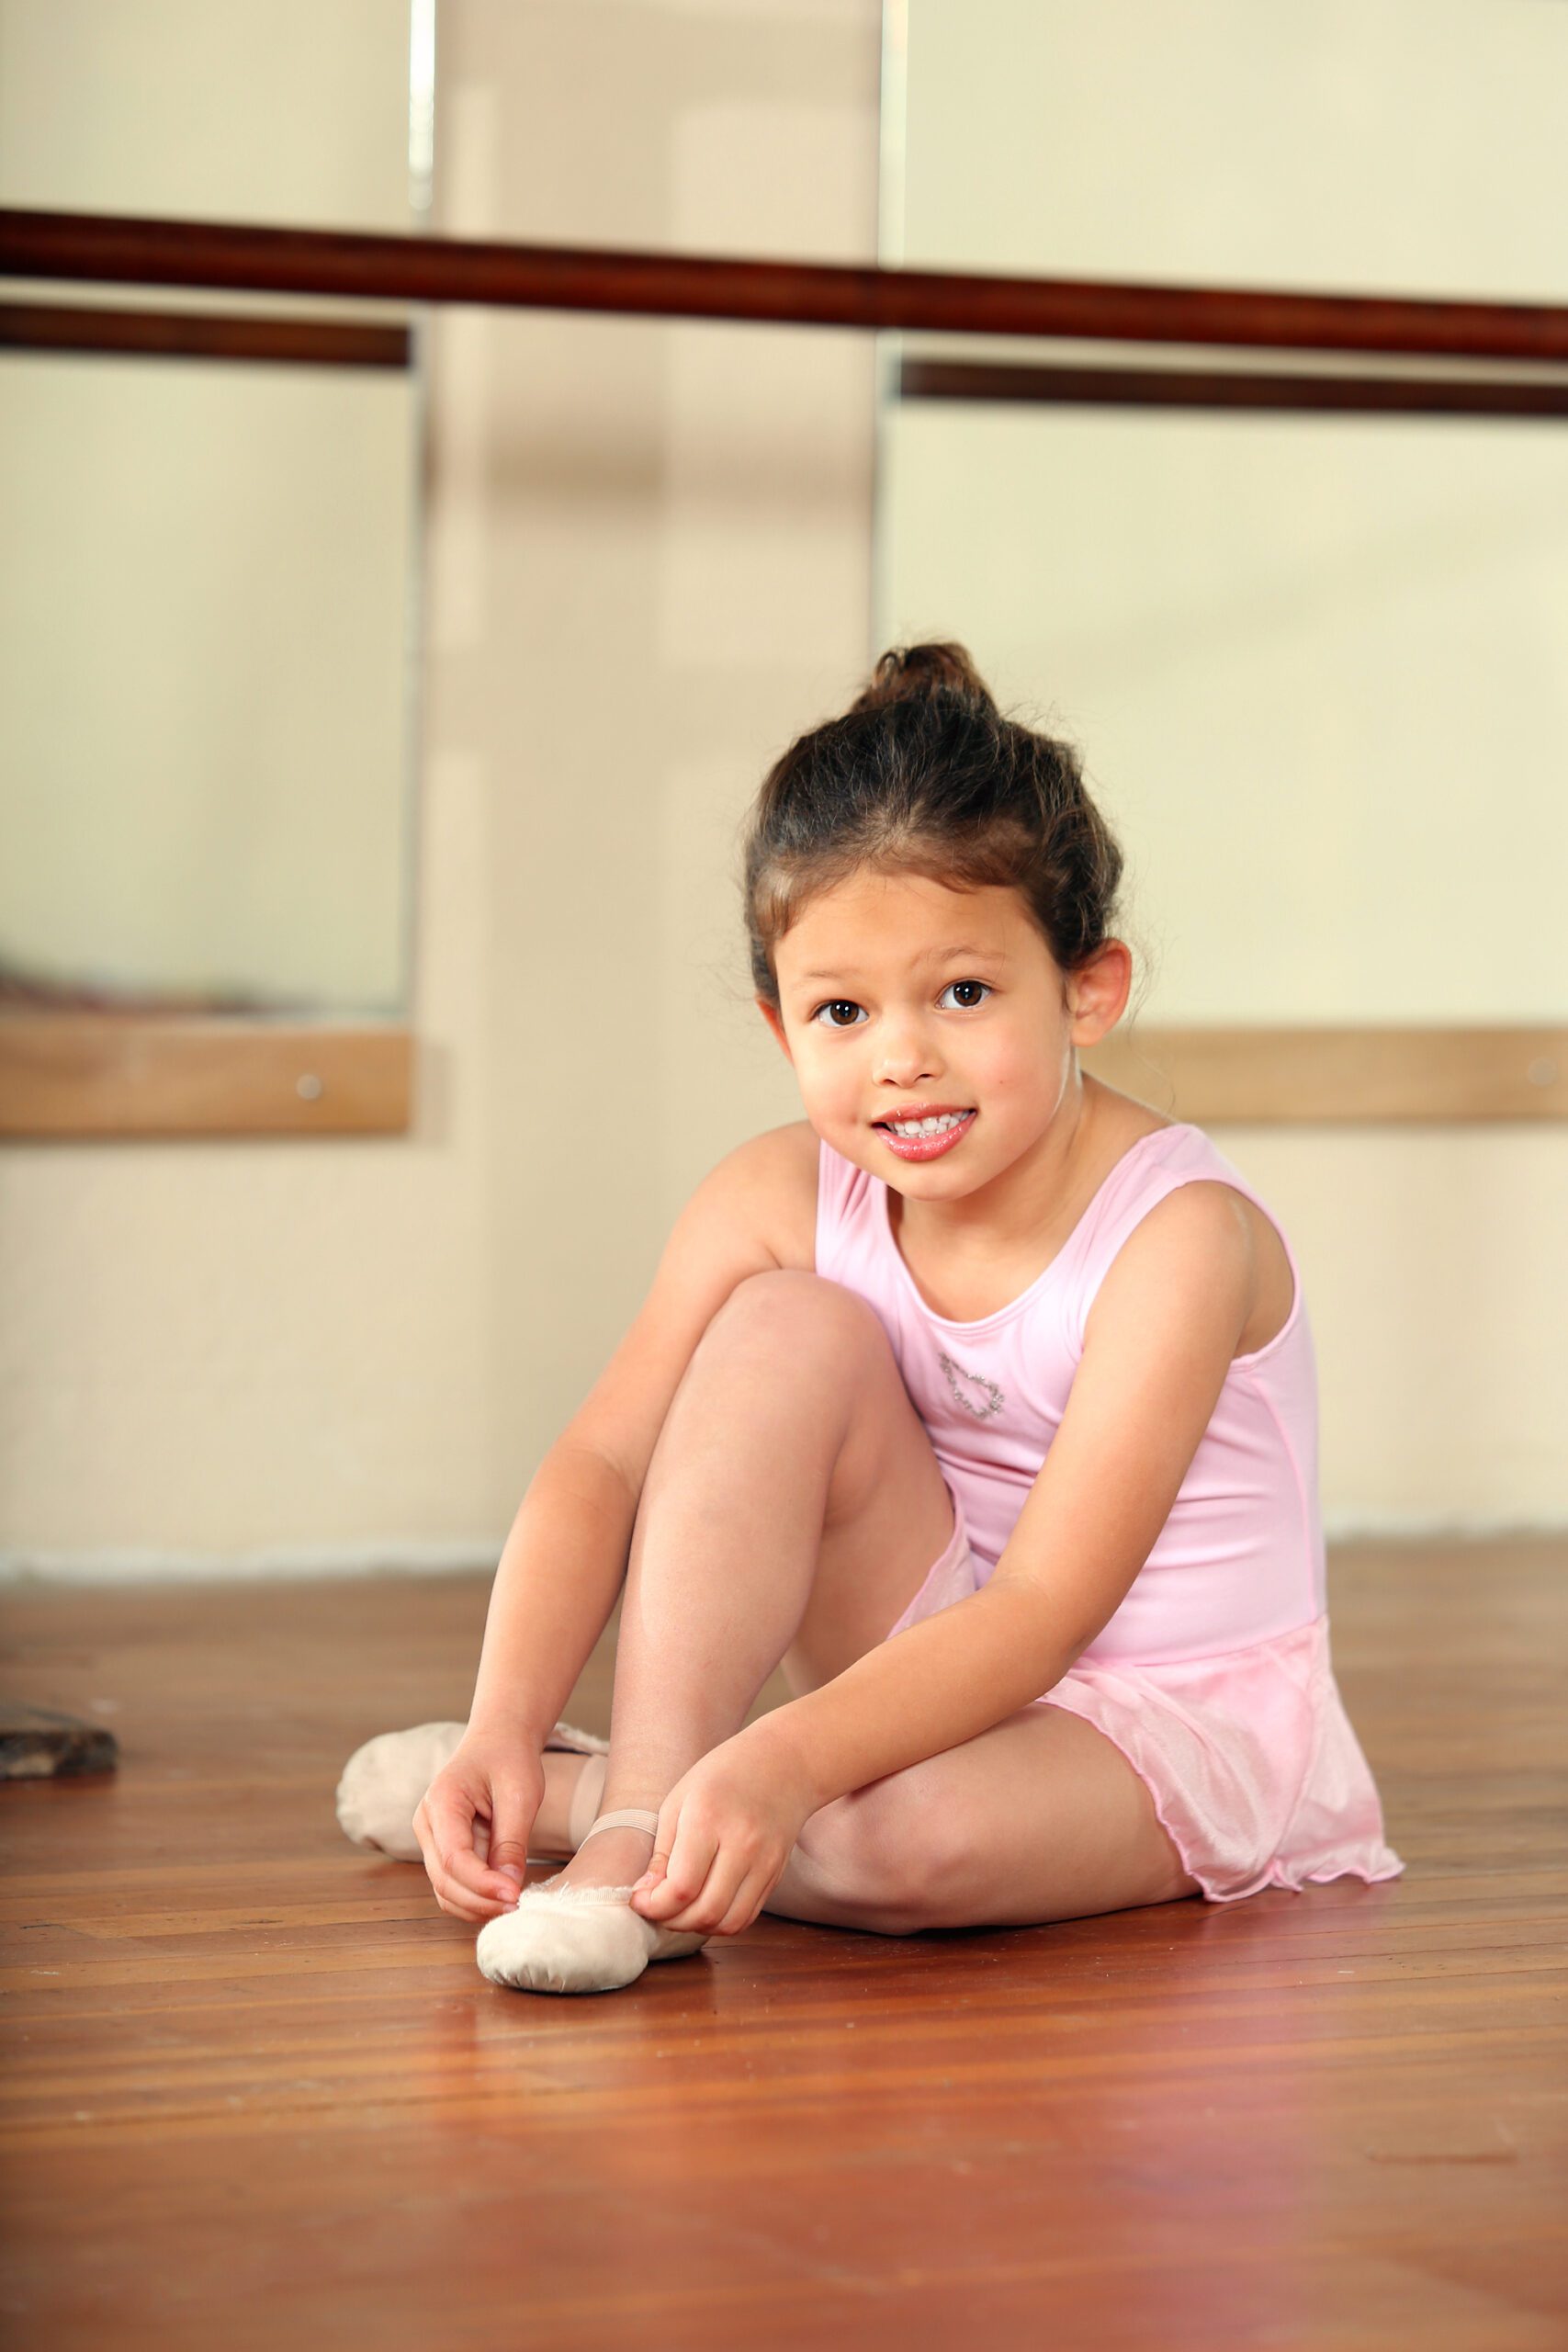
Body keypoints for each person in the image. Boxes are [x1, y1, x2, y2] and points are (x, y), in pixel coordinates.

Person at [336, 640, 1404, 1995]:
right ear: (784, 1027)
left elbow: (1045, 1607)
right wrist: (505, 1713)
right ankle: (636, 1830)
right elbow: (603, 1463)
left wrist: (784, 1760)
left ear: (1088, 988)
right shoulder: (782, 1189)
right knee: (785, 1324)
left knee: (910, 1845)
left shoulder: (1176, 1237)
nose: (902, 1056)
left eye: (964, 993)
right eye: (842, 1009)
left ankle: (598, 1806)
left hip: (1162, 1709)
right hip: (917, 1653)